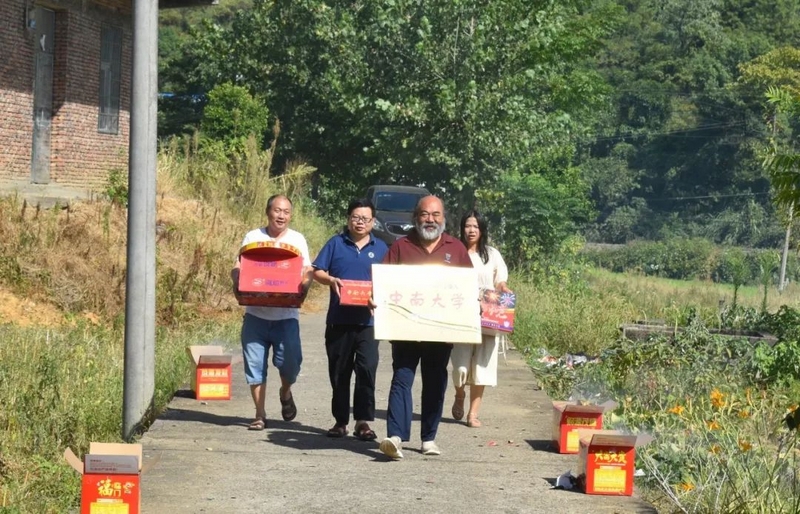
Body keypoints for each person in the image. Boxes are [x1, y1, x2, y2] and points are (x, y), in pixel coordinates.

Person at [378, 195, 473, 460]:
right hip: (405, 328)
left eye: (435, 214)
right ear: (415, 217)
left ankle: (428, 438)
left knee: (435, 382)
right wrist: (377, 298)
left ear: (443, 218)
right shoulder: (401, 246)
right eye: (424, 214)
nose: (430, 220)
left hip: (440, 331)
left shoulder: (456, 249)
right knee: (402, 378)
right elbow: (383, 281)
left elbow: (468, 287)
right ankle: (395, 437)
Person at [231, 194, 313, 431]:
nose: (281, 216)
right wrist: (236, 279)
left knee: (291, 365)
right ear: (268, 212)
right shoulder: (253, 237)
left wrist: (304, 286)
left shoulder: (297, 239)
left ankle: (285, 392)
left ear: (290, 215)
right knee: (254, 365)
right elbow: (239, 265)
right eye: (277, 210)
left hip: (286, 318)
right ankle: (259, 414)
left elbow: (307, 269)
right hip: (255, 315)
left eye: (286, 212)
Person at [312, 198, 389, 441]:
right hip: (339, 320)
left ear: (373, 222)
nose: (360, 222)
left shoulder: (382, 248)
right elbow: (317, 271)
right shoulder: (336, 243)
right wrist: (330, 280)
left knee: (367, 370)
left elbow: (392, 279)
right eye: (356, 217)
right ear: (348, 219)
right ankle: (341, 421)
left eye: (365, 218)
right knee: (339, 372)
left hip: (369, 323)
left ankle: (363, 422)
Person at [449, 210, 512, 428]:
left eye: (475, 226)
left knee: (483, 365)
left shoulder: (492, 254)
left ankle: (473, 414)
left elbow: (500, 279)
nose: (471, 230)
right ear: (462, 228)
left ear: (482, 229)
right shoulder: (454, 251)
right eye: (468, 226)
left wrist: (503, 287)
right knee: (460, 365)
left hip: (488, 313)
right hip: (461, 313)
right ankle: (459, 394)